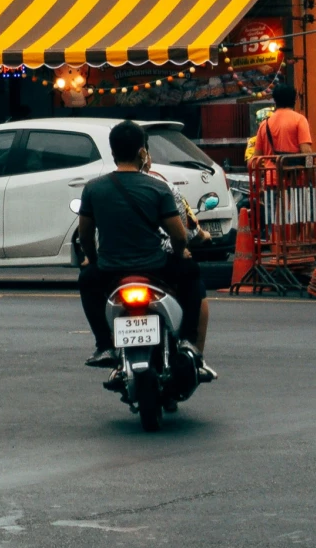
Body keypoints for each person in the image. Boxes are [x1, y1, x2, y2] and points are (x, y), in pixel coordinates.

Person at [76, 118, 216, 382]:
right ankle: (187, 340)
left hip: (109, 269)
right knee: (191, 274)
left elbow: (85, 236)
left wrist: (93, 260)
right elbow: (179, 235)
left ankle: (104, 344)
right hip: (154, 266)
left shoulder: (93, 189)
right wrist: (179, 253)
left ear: (113, 151)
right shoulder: (158, 188)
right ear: (142, 151)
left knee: (86, 280)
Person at [251, 81, 312, 159]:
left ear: (275, 100)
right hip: (292, 170)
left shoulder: (264, 124)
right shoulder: (300, 120)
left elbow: (256, 157)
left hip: (270, 170)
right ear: (294, 99)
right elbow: (306, 151)